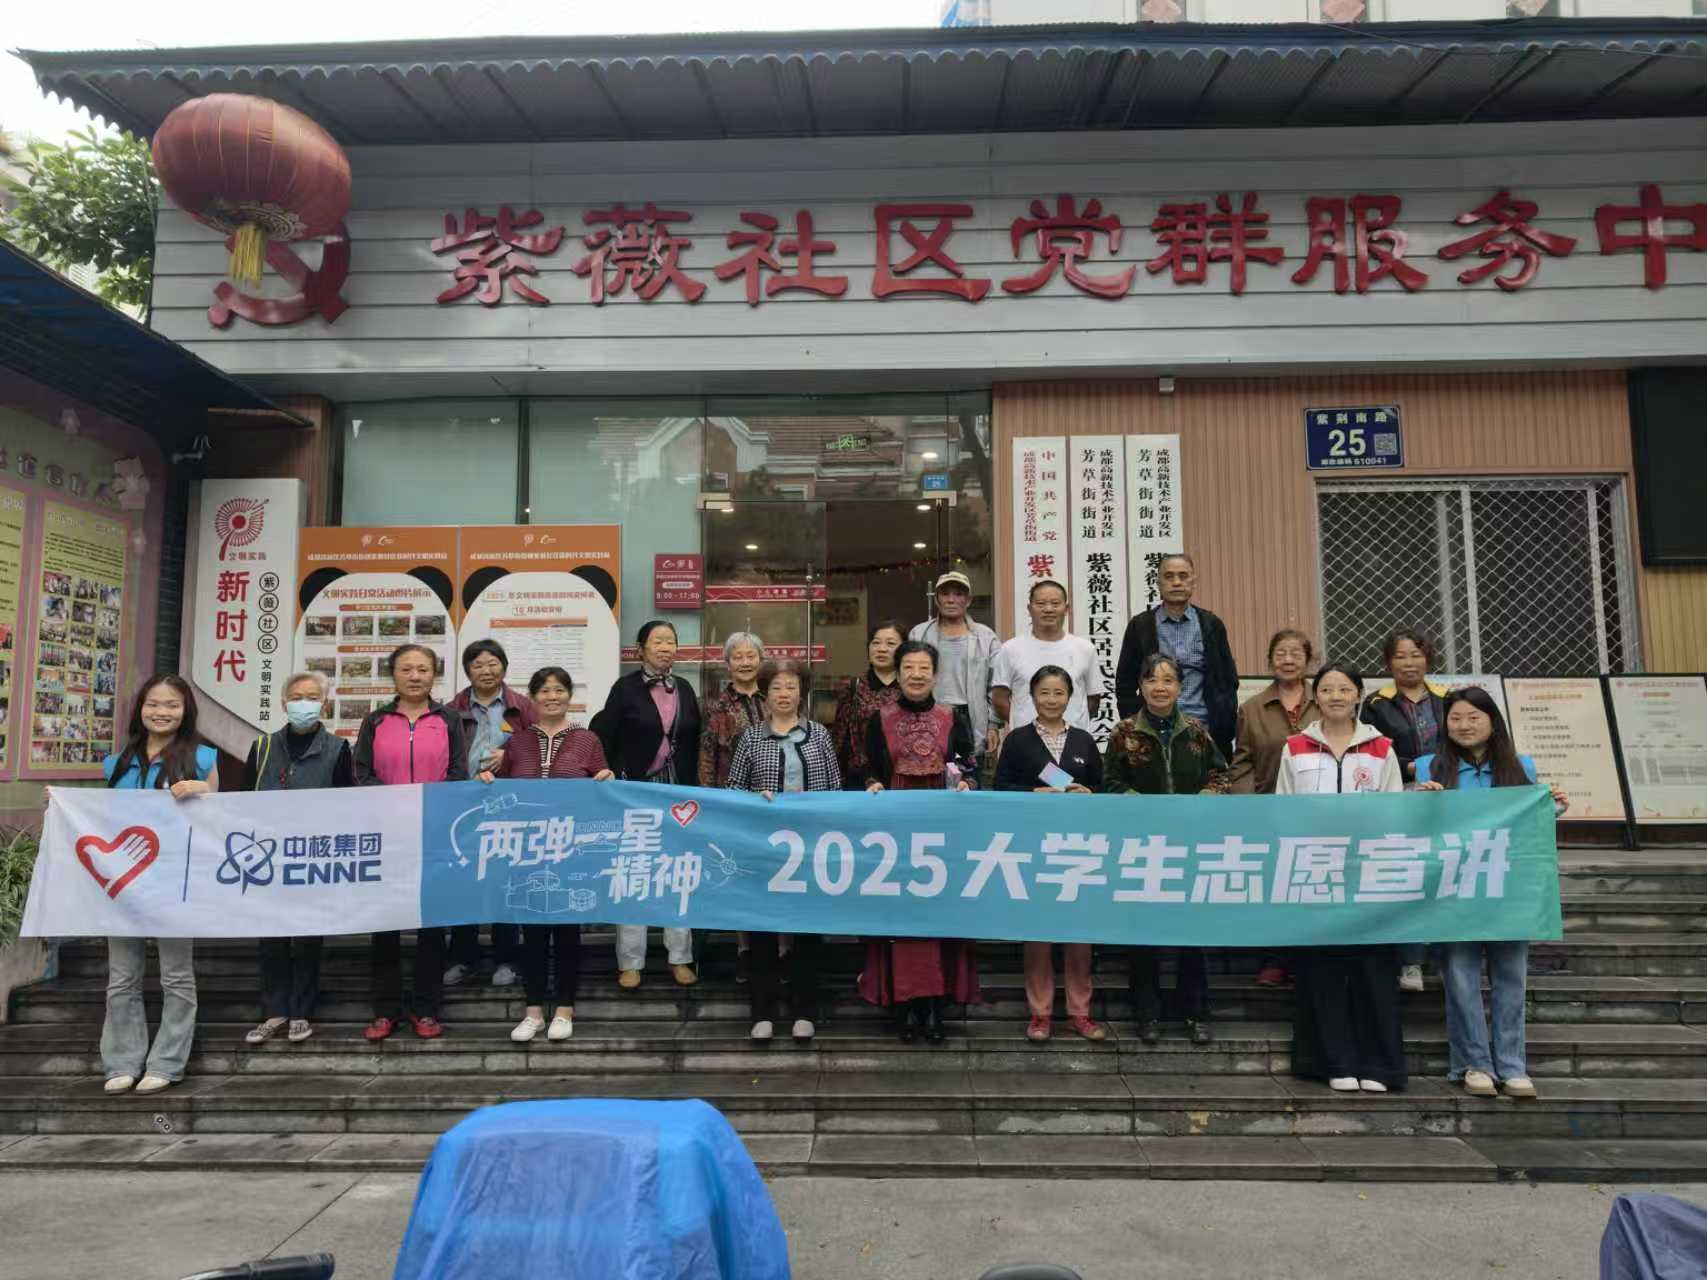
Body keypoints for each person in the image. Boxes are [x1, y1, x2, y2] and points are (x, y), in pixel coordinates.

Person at [1416, 687, 1568, 1101]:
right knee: (1460, 979)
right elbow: (1419, 829)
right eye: (1455, 718)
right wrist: (1420, 803)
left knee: (1511, 979)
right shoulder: (1430, 766)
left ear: (1492, 722)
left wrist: (1552, 807)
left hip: (1507, 888)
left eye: (1474, 717)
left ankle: (1513, 1066)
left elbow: (1529, 821)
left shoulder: (1521, 765)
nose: (1464, 726)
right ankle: (1474, 1064)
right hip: (1454, 890)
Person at [1277, 662, 1406, 1094]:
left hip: (1368, 873)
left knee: (1373, 971)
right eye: (1327, 689)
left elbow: (1394, 811)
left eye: (1344, 689)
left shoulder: (1381, 748)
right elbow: (1283, 808)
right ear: (1316, 696)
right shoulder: (1295, 746)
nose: (1335, 696)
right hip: (1315, 872)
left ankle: (1378, 1065)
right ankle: (1333, 1061)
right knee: (1322, 971)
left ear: (1358, 695)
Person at [477, 666, 615, 1044]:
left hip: (571, 851)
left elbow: (603, 787)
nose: (552, 697)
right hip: (526, 852)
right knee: (533, 933)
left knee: (567, 933)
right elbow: (500, 791)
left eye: (559, 690)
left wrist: (606, 778)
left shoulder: (588, 739)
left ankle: (565, 1009)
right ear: (533, 698)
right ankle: (534, 1012)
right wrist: (486, 779)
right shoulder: (517, 743)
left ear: (569, 695)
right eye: (544, 691)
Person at [99, 675, 218, 1095]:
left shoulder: (202, 758)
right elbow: (99, 819)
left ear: (186, 711)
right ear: (140, 708)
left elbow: (219, 819)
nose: (161, 712)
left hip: (175, 882)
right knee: (122, 977)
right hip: (123, 883)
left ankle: (167, 1062)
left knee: (176, 976)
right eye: (153, 703)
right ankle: (121, 1062)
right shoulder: (116, 763)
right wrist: (59, 804)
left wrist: (204, 791)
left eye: (172, 705)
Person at [1103, 653, 1229, 1046]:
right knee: (1144, 934)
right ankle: (1147, 1014)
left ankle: (1197, 1013)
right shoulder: (1124, 733)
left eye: (1168, 680)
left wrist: (1206, 797)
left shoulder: (1196, 731)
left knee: (1193, 933)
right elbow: (1110, 784)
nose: (1160, 687)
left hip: (1190, 846)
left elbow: (1220, 775)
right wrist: (1145, 809)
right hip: (1142, 848)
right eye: (1152, 680)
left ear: (1180, 686)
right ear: (1141, 686)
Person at [858, 639, 979, 1044]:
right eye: (908, 667)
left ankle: (935, 1007)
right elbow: (867, 767)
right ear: (898, 673)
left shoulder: (952, 716)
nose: (915, 674)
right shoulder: (879, 719)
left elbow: (968, 765)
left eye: (923, 667)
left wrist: (967, 782)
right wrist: (871, 783)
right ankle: (905, 1006)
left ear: (935, 673)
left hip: (942, 834)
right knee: (901, 921)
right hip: (894, 835)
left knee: (939, 919)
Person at [355, 644, 469, 1041]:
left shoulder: (449, 719)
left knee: (431, 925)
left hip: (434, 833)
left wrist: (429, 805)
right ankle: (385, 1011)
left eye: (423, 669)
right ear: (394, 674)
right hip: (386, 834)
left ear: (434, 675)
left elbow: (458, 772)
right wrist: (393, 803)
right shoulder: (376, 720)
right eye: (407, 669)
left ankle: (426, 1009)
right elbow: (361, 772)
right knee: (385, 925)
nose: (415, 676)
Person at [725, 658, 841, 1045]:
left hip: (811, 848)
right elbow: (732, 790)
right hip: (763, 848)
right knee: (762, 930)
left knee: (807, 931)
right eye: (776, 687)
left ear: (801, 692)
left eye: (791, 686)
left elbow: (836, 791)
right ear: (765, 694)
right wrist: (754, 797)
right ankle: (763, 1012)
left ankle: (805, 1010)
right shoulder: (751, 738)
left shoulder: (820, 735)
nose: (784, 694)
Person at [241, 671, 353, 1047]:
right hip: (267, 855)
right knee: (271, 935)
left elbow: (347, 804)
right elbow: (242, 801)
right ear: (283, 703)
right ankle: (274, 1010)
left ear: (324, 705)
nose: (303, 703)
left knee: (307, 935)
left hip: (313, 856)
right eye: (296, 697)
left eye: (312, 697)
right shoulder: (262, 747)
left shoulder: (338, 748)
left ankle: (302, 1010)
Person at [994, 665, 1105, 1043]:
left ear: (1070, 697)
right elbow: (1000, 789)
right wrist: (1033, 794)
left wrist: (1090, 794)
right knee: (1038, 933)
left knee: (1079, 934)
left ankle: (1080, 1012)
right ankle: (1040, 1013)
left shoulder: (1084, 741)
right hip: (1035, 848)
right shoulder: (1018, 740)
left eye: (1059, 693)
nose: (1052, 700)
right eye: (1044, 692)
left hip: (1078, 850)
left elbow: (1102, 787)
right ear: (1032, 696)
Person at [591, 619, 702, 989]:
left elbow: (695, 741)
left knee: (677, 874)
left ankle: (680, 957)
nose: (666, 647)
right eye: (658, 641)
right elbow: (602, 736)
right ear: (640, 649)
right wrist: (612, 778)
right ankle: (630, 962)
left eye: (671, 641)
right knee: (633, 874)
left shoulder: (685, 688)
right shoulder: (624, 688)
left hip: (678, 794)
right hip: (635, 793)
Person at [1225, 629, 1320, 989]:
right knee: (1276, 887)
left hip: (1318, 813)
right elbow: (1242, 763)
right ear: (1269, 662)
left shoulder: (1325, 700)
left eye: (1296, 653)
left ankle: (1312, 957)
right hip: (1270, 811)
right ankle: (1275, 959)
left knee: (1312, 884)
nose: (1288, 660)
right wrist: (1250, 807)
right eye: (1280, 653)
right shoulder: (1252, 709)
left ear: (1309, 661)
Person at [1360, 626, 1448, 993]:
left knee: (1445, 875)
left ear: (1428, 658)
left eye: (1416, 654)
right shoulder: (1376, 704)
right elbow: (1369, 750)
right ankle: (1410, 960)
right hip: (1401, 795)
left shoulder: (1448, 698)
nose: (1409, 663)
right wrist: (1409, 767)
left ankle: (1446, 957)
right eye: (1400, 656)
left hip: (1446, 797)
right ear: (1387, 662)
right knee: (1408, 876)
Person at [445, 639, 536, 990]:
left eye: (493, 663)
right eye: (478, 665)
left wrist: (509, 754)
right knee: (464, 882)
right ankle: (463, 957)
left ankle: (507, 958)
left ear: (504, 667)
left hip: (509, 808)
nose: (486, 670)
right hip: (464, 807)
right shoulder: (451, 710)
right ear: (467, 671)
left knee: (505, 881)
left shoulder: (522, 707)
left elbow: (539, 746)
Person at [1113, 553, 1238, 759]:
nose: (1177, 582)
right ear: (1158, 583)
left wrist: (1223, 725)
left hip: (1203, 730)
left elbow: (1227, 681)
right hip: (1152, 734)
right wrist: (1136, 727)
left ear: (1193, 582)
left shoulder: (1211, 625)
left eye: (1183, 576)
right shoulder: (1140, 626)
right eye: (1169, 576)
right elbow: (1125, 684)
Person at [698, 632, 766, 981]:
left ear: (761, 661)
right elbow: (707, 755)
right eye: (737, 657)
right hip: (733, 802)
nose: (745, 662)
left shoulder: (774, 698)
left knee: (769, 873)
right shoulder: (717, 707)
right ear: (727, 664)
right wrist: (710, 800)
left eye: (751, 656)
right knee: (740, 876)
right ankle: (744, 950)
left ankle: (778, 950)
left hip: (773, 804)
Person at [908, 571, 1000, 779]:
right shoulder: (919, 634)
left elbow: (995, 685)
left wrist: (993, 725)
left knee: (967, 782)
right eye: (945, 594)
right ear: (937, 599)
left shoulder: (986, 637)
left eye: (958, 594)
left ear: (968, 600)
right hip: (928, 714)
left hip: (969, 718)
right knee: (927, 776)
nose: (951, 599)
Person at [991, 579, 1104, 733]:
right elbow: (999, 699)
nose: (1048, 609)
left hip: (1073, 739)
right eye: (1041, 604)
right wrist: (1022, 726)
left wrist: (1074, 724)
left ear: (1066, 608)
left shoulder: (1085, 649)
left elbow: (1093, 699)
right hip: (1026, 741)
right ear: (1029, 609)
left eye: (1055, 603)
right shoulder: (1010, 649)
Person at [831, 619, 904, 790]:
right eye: (876, 643)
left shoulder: (911, 688)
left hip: (903, 777)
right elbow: (839, 739)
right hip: (860, 780)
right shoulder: (854, 687)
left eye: (890, 643)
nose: (882, 649)